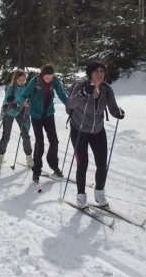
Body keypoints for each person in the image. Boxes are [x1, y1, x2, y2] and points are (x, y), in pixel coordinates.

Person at [65, 61, 124, 208]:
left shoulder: (106, 89)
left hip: (98, 130)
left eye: (102, 71)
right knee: (82, 164)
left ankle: (99, 194)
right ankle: (80, 197)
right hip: (79, 130)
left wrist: (118, 113)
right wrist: (83, 93)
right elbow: (69, 106)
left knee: (102, 164)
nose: (100, 73)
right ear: (90, 73)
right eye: (97, 71)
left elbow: (112, 108)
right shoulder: (81, 86)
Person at [20, 64, 69, 184]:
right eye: (47, 77)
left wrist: (69, 105)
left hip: (48, 114)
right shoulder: (34, 81)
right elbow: (24, 95)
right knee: (40, 142)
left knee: (54, 140)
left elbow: (61, 94)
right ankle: (36, 170)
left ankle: (53, 165)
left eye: (51, 77)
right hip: (36, 115)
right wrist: (24, 102)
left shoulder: (55, 81)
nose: (49, 79)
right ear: (42, 75)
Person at [0, 69, 33, 169]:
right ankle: (0, 158)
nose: (22, 81)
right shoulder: (11, 88)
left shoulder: (26, 87)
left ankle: (29, 158)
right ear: (15, 79)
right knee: (6, 136)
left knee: (25, 135)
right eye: (20, 79)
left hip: (21, 112)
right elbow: (6, 102)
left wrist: (28, 102)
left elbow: (28, 98)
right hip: (10, 113)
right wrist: (11, 101)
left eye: (24, 79)